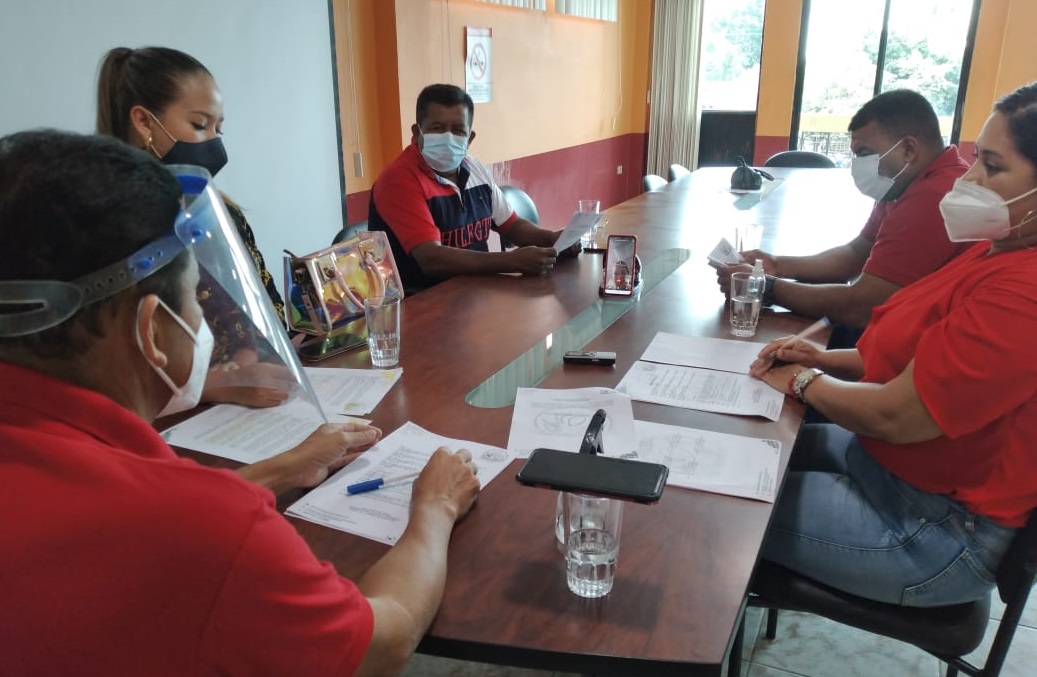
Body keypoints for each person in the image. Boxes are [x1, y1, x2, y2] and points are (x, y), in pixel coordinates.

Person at [0, 130, 481, 675]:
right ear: (153, 329)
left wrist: (283, 468)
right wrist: (435, 507)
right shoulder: (207, 527)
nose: (202, 320)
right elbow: (382, 642)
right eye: (194, 299)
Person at [747, 81, 1037, 607]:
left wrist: (804, 380)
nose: (967, 178)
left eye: (992, 167)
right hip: (891, 467)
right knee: (745, 451)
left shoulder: (1023, 292)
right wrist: (823, 358)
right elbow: (917, 355)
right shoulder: (1000, 246)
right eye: (975, 157)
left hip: (933, 530)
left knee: (724, 511)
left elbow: (895, 415)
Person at [97, 46, 287, 407]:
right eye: (200, 125)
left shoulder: (222, 213)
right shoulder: (106, 229)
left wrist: (248, 353)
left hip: (254, 403)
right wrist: (211, 385)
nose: (214, 142)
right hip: (174, 422)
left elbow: (264, 310)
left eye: (219, 128)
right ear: (144, 123)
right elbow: (105, 372)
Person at [716, 89, 971, 334]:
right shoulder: (901, 184)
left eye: (865, 154)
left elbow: (862, 306)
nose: (857, 166)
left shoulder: (936, 196)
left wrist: (764, 287)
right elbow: (854, 254)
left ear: (908, 149)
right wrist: (776, 264)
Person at [368, 83, 579, 293]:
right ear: (417, 132)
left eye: (458, 130)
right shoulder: (398, 180)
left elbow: (512, 226)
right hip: (421, 302)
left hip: (475, 294)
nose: (448, 137)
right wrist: (512, 261)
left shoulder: (474, 168)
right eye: (437, 128)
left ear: (469, 138)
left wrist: (552, 240)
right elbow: (432, 258)